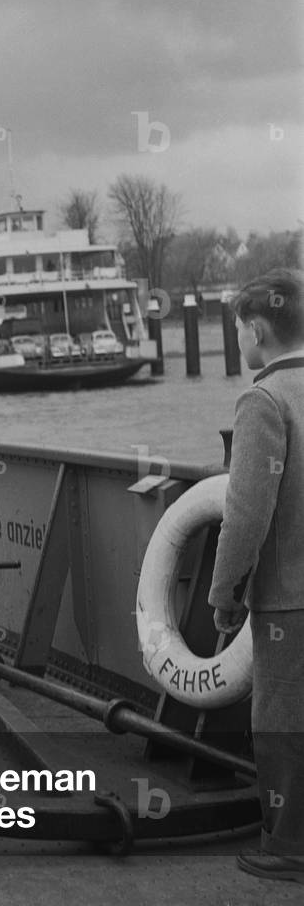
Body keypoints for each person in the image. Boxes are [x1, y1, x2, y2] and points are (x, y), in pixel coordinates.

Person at [209, 268, 304, 884]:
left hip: (291, 600)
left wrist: (225, 593)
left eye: (240, 329)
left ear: (258, 329)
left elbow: (246, 513)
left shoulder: (264, 401)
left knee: (282, 725)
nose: (239, 339)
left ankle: (289, 845)